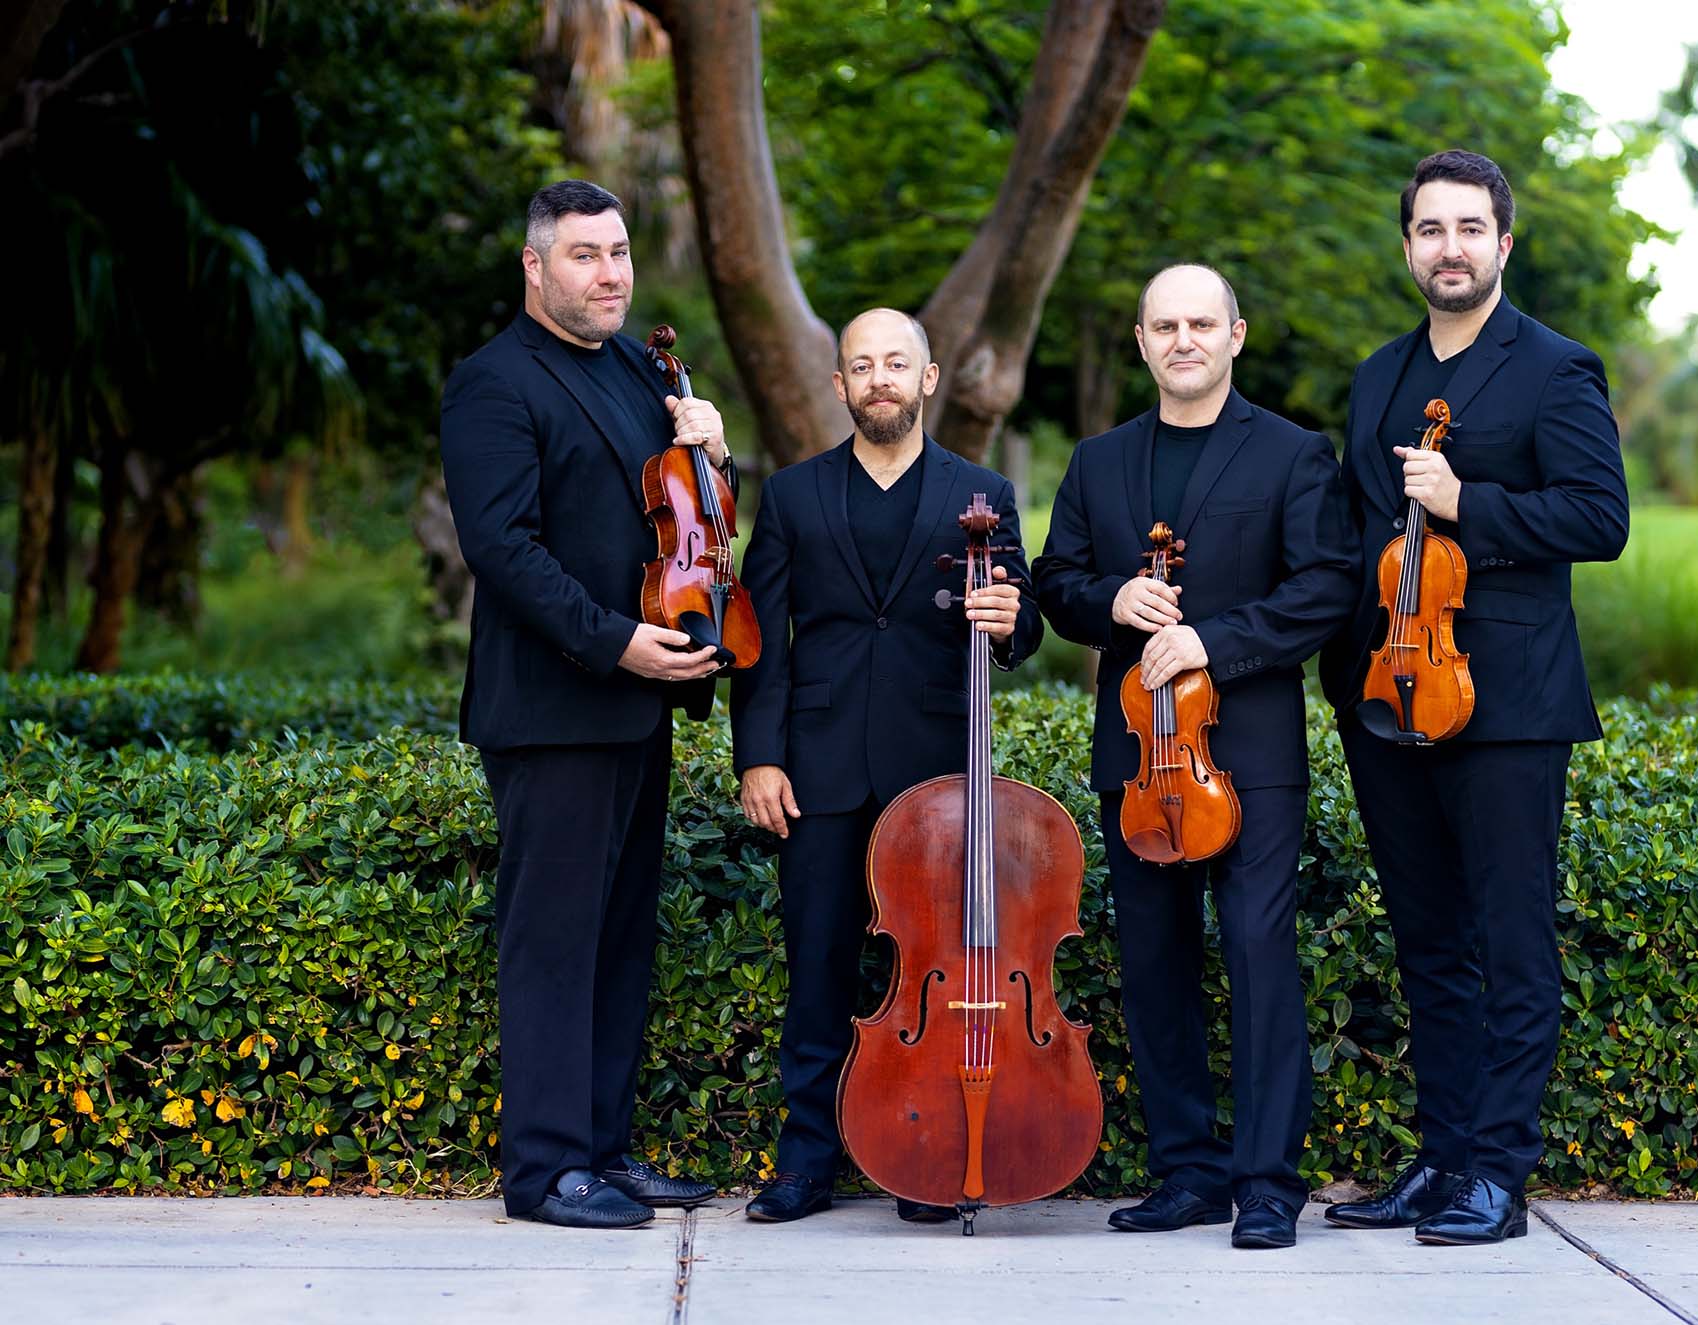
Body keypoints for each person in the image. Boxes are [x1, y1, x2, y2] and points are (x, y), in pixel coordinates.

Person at [1320, 150, 1628, 1244]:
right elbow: (1358, 531)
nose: (1446, 247)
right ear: (1405, 246)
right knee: (1426, 944)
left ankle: (1497, 1176)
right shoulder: (1377, 376)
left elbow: (1599, 518)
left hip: (1505, 702)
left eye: (1467, 228)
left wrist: (1467, 502)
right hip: (1387, 696)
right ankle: (1440, 1159)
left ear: (1503, 242)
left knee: (1507, 941)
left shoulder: (1554, 368)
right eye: (1427, 229)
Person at [1032, 264, 1362, 1250]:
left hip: (1246, 750)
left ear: (1235, 336)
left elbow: (1326, 586)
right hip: (1138, 756)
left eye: (1200, 324)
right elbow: (1055, 576)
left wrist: (1211, 637)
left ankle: (1266, 1182)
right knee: (1153, 961)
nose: (1183, 339)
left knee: (1257, 956)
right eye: (1164, 324)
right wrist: (1109, 602)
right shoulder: (1099, 461)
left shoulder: (1293, 454)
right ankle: (1186, 1170)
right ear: (1140, 340)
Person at [440, 179, 728, 1228]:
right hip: (557, 706)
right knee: (554, 943)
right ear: (534, 266)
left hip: (635, 703)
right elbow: (501, 549)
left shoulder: (637, 370)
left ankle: (603, 1150)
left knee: (616, 939)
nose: (609, 274)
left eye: (617, 253)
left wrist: (712, 442)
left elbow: (683, 511)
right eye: (583, 256)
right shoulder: (493, 383)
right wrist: (616, 645)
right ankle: (546, 1169)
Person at [730, 308, 1041, 1224]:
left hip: (940, 777)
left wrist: (1007, 618)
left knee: (944, 971)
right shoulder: (790, 495)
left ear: (928, 378)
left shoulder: (980, 491)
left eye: (894, 363)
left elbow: (1022, 628)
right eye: (861, 366)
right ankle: (806, 1160)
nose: (879, 379)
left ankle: (931, 1151)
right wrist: (760, 757)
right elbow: (761, 643)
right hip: (820, 769)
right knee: (817, 968)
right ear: (839, 386)